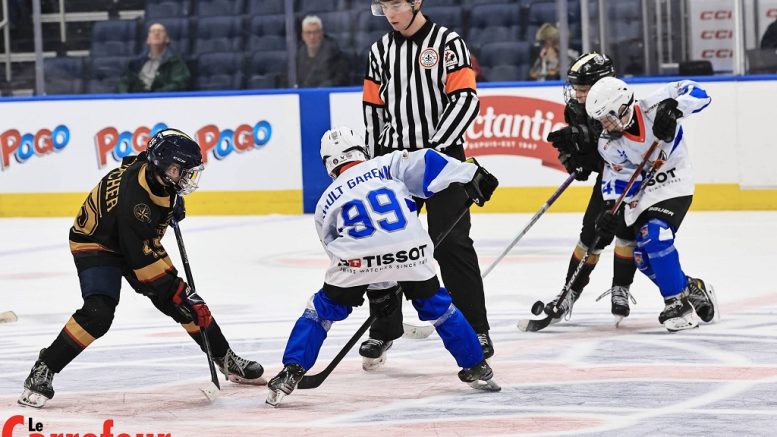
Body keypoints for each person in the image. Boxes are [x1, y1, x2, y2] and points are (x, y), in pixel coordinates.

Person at [18, 129, 264, 409]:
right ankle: (44, 367)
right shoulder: (135, 204)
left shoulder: (154, 173)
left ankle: (224, 357)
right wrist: (176, 290)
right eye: (180, 171)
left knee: (184, 303)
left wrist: (172, 203)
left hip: (128, 237)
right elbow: (142, 261)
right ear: (164, 167)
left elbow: (132, 163)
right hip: (96, 242)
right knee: (100, 312)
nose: (185, 178)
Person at [265, 127, 500, 407]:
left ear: (329, 163)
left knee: (321, 310)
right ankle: (476, 366)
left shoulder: (325, 201)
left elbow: (335, 249)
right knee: (439, 308)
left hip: (356, 259)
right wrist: (469, 173)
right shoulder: (387, 163)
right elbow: (428, 160)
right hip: (410, 249)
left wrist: (381, 289)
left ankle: (291, 371)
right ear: (362, 151)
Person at [361, 0, 492, 369]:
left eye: (398, 4)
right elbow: (373, 110)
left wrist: (432, 153)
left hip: (443, 160)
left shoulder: (448, 43)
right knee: (385, 245)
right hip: (395, 164)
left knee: (452, 244)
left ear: (416, 2)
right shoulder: (379, 51)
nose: (391, 13)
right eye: (384, 6)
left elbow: (466, 101)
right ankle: (385, 328)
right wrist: (374, 164)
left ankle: (476, 329)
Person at [585, 77, 718, 332]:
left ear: (623, 106)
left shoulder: (653, 106)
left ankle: (677, 305)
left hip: (674, 181)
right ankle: (691, 288)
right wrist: (609, 208)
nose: (606, 125)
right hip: (643, 193)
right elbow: (619, 177)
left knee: (655, 236)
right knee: (642, 257)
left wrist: (675, 108)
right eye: (601, 121)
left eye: (608, 118)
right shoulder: (608, 143)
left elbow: (700, 93)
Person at [544, 52, 639, 325]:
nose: (577, 94)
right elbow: (592, 157)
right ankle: (569, 292)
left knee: (626, 233)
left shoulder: (621, 105)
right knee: (590, 235)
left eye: (583, 89)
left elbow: (624, 150)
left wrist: (588, 148)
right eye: (575, 88)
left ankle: (622, 287)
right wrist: (575, 157)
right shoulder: (575, 108)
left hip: (634, 178)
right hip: (608, 178)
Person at [117, 23, 190, 93]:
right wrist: (124, 97)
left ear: (167, 39)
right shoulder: (137, 62)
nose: (156, 33)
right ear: (148, 40)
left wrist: (155, 95)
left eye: (161, 31)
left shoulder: (174, 61)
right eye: (152, 31)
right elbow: (124, 82)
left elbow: (179, 84)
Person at [296, 15, 349, 88]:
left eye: (315, 32)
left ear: (321, 34)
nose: (312, 37)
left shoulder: (335, 54)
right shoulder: (296, 56)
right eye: (308, 33)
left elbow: (341, 79)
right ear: (303, 36)